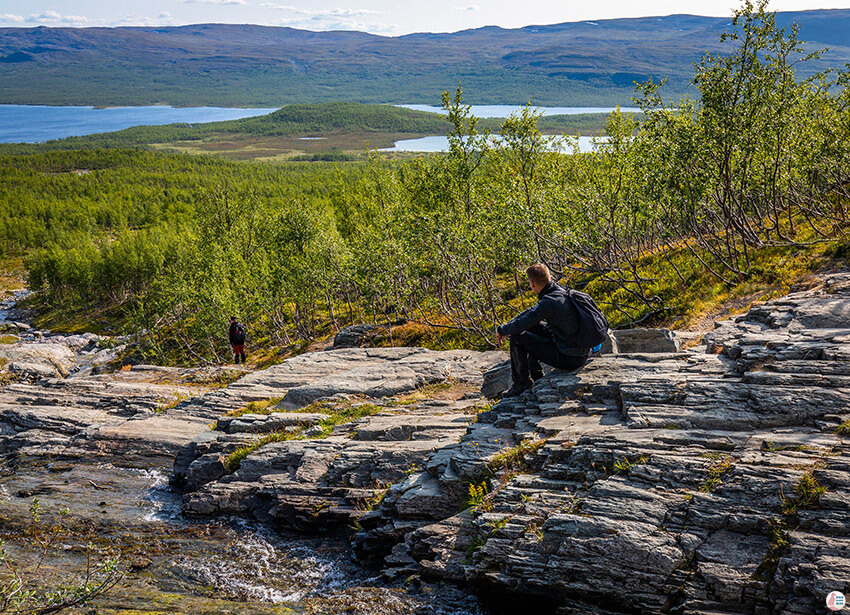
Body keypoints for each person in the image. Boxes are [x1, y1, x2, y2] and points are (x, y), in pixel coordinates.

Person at [496, 263, 592, 397]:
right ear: (550, 277)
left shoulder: (549, 302)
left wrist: (502, 330)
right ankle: (536, 375)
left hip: (570, 359)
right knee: (532, 326)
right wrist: (506, 326)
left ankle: (521, 383)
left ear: (532, 284)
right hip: (578, 351)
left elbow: (523, 322)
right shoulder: (558, 291)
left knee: (517, 337)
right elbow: (530, 313)